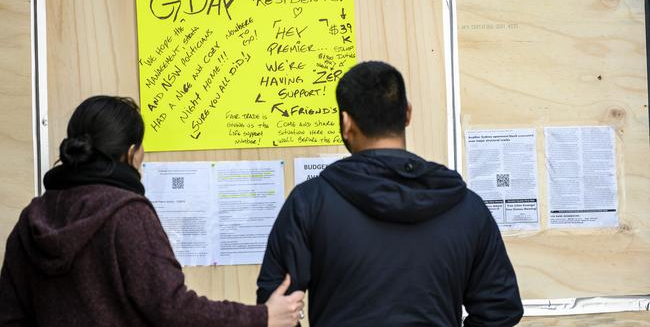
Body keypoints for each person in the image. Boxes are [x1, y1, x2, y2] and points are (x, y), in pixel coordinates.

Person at [257, 61, 524, 326]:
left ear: (346, 122)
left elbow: (274, 307)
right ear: (407, 114)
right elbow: (500, 309)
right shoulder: (467, 208)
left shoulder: (309, 203)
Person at [0, 96, 304, 327]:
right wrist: (262, 317)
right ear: (132, 153)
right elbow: (173, 309)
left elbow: (10, 316)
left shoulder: (30, 219)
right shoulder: (126, 215)